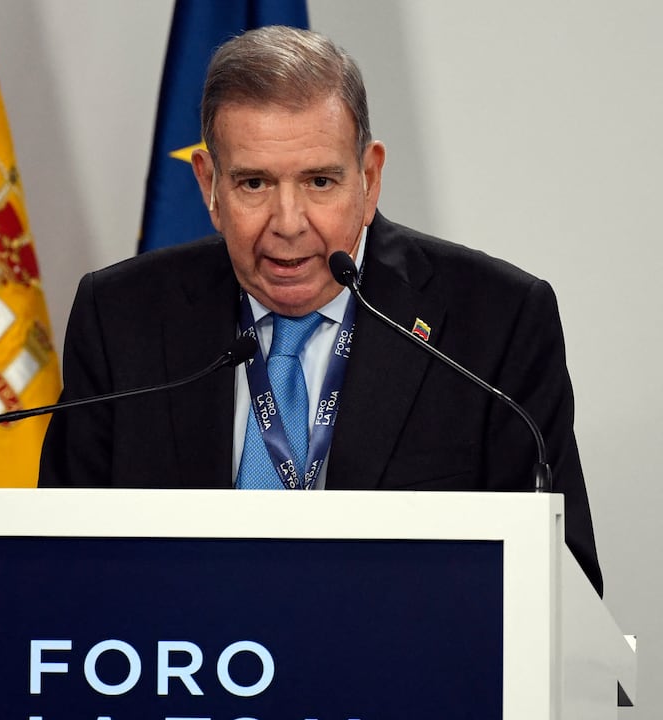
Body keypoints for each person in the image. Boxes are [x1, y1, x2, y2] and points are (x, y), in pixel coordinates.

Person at [37, 26, 602, 594]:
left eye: (319, 181)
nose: (288, 221)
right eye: (254, 183)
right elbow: (56, 567)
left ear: (370, 178)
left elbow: (561, 585)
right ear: (209, 185)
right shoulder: (120, 319)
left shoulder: (496, 324)